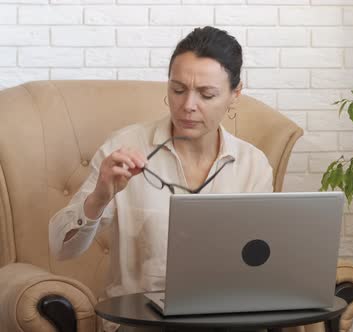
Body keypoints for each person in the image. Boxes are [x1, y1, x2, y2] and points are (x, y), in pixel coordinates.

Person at [48, 26, 274, 332]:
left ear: (235, 95)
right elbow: (61, 249)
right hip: (137, 325)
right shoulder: (124, 148)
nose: (188, 105)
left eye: (207, 94)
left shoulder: (252, 165)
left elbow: (260, 264)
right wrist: (99, 196)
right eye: (178, 90)